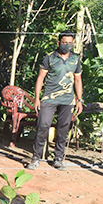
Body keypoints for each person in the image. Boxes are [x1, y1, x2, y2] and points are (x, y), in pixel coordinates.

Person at [26, 32, 83, 170]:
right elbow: (40, 79)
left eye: (70, 43)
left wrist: (79, 100)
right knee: (43, 126)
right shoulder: (49, 58)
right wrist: (37, 98)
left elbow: (78, 80)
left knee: (63, 129)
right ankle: (36, 157)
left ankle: (58, 158)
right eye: (65, 42)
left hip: (68, 100)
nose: (67, 45)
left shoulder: (75, 59)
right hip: (49, 98)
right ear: (58, 43)